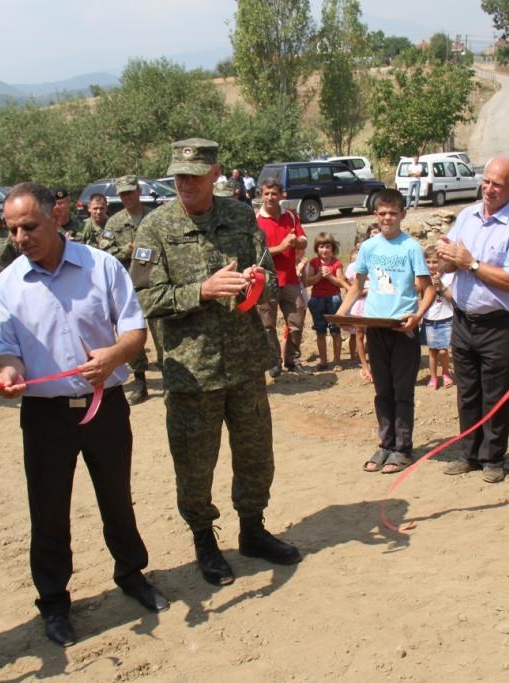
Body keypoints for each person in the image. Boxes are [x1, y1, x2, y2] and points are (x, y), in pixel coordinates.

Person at [0, 181, 167, 648]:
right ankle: (54, 603)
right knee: (48, 513)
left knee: (116, 498)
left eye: (29, 226)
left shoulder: (101, 266)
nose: (20, 238)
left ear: (56, 217)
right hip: (45, 417)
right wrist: (9, 373)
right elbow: (4, 351)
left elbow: (134, 330)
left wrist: (112, 356)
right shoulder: (8, 284)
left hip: (104, 407)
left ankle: (132, 574)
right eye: (12, 230)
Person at [131, 137, 300, 587]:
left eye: (195, 176)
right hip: (193, 372)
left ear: (214, 175)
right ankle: (205, 540)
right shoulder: (155, 229)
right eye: (179, 176)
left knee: (255, 456)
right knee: (194, 464)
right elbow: (144, 296)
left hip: (245, 366)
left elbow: (265, 274)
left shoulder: (241, 217)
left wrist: (253, 281)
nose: (185, 183)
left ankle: (253, 530)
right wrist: (200, 291)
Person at [437, 157, 509, 483]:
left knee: (496, 393)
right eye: (486, 181)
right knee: (467, 391)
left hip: (499, 325)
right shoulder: (467, 216)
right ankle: (469, 453)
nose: (489, 188)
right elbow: (451, 256)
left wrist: (471, 263)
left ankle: (493, 458)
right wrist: (448, 260)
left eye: (497, 184)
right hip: (464, 319)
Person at [337, 189, 434, 474]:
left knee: (402, 391)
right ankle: (385, 445)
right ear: (375, 215)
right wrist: (342, 313)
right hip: (375, 328)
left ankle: (402, 449)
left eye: (393, 213)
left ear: (403, 214)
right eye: (382, 213)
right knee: (382, 391)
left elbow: (428, 289)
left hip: (402, 329)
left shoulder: (411, 248)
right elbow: (356, 287)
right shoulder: (369, 248)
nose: (387, 218)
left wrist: (417, 316)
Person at [96, 175, 156, 404]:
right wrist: (127, 249)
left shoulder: (154, 215)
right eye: (123, 194)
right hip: (129, 285)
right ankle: (140, 380)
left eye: (130, 192)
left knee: (162, 331)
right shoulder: (115, 222)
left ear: (138, 191)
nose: (127, 197)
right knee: (133, 331)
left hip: (157, 280)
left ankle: (171, 377)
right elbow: (106, 250)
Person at [254, 177, 310, 377]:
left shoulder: (291, 216)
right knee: (267, 324)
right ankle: (273, 361)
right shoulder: (255, 220)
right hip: (266, 280)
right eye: (266, 193)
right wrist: (282, 247)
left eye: (274, 193)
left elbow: (303, 239)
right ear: (261, 195)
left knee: (297, 320)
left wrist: (298, 242)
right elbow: (256, 254)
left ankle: (292, 359)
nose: (270, 197)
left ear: (281, 195)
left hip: (290, 278)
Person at [305, 232, 349, 370]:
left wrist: (330, 276)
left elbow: (341, 283)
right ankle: (323, 361)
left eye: (327, 247)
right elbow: (307, 281)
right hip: (317, 299)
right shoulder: (313, 263)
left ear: (333, 248)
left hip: (334, 299)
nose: (324, 250)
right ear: (317, 248)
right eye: (321, 247)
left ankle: (337, 361)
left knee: (336, 331)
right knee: (320, 331)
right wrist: (319, 275)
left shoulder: (337, 263)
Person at [422, 244, 454, 390]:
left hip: (446, 317)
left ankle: (446, 373)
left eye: (435, 262)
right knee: (433, 350)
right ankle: (433, 377)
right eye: (428, 262)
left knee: (443, 349)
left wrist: (439, 284)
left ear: (441, 262)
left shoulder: (448, 277)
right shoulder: (423, 278)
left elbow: (451, 297)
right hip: (430, 318)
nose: (431, 265)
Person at [344, 246, 371, 381]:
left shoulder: (374, 263)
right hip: (358, 305)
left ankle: (373, 363)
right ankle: (364, 365)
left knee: (372, 335)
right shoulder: (352, 267)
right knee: (358, 334)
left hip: (373, 305)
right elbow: (353, 287)